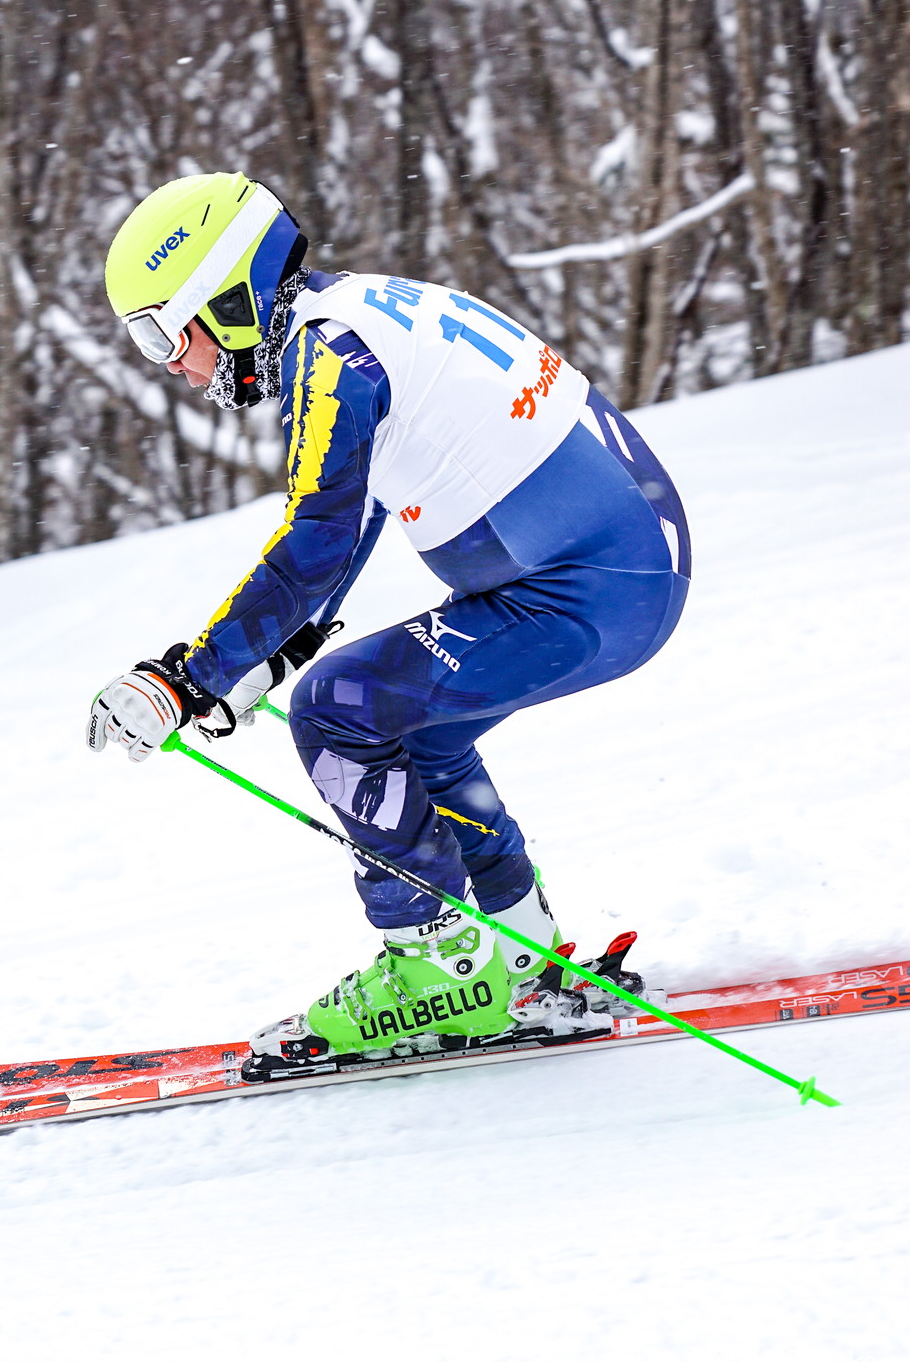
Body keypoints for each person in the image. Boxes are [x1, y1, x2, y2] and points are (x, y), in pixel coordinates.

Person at [87, 172, 690, 1078]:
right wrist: (252, 658)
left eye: (162, 332)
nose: (170, 362)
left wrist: (189, 678)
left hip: (592, 585)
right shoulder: (353, 319)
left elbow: (320, 540)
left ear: (228, 296)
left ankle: (434, 963)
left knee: (340, 705)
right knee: (415, 727)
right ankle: (517, 952)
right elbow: (349, 520)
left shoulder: (335, 360)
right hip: (620, 570)